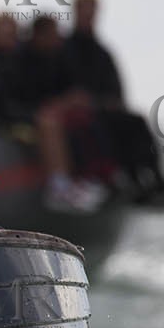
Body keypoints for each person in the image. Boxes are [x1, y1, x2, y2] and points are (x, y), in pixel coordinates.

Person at [64, 0, 164, 205]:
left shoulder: (101, 51)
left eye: (92, 12)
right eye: (84, 11)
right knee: (123, 125)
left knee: (136, 122)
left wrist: (108, 102)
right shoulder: (66, 48)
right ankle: (135, 181)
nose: (89, 16)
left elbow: (116, 87)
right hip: (82, 112)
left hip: (103, 107)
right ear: (75, 12)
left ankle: (155, 181)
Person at [18, 15, 107, 213]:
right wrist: (57, 104)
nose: (58, 37)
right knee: (50, 121)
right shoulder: (23, 58)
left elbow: (69, 87)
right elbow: (24, 96)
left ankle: (88, 177)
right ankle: (59, 187)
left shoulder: (57, 56)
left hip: (50, 109)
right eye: (53, 33)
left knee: (82, 116)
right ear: (40, 35)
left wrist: (71, 100)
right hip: (23, 113)